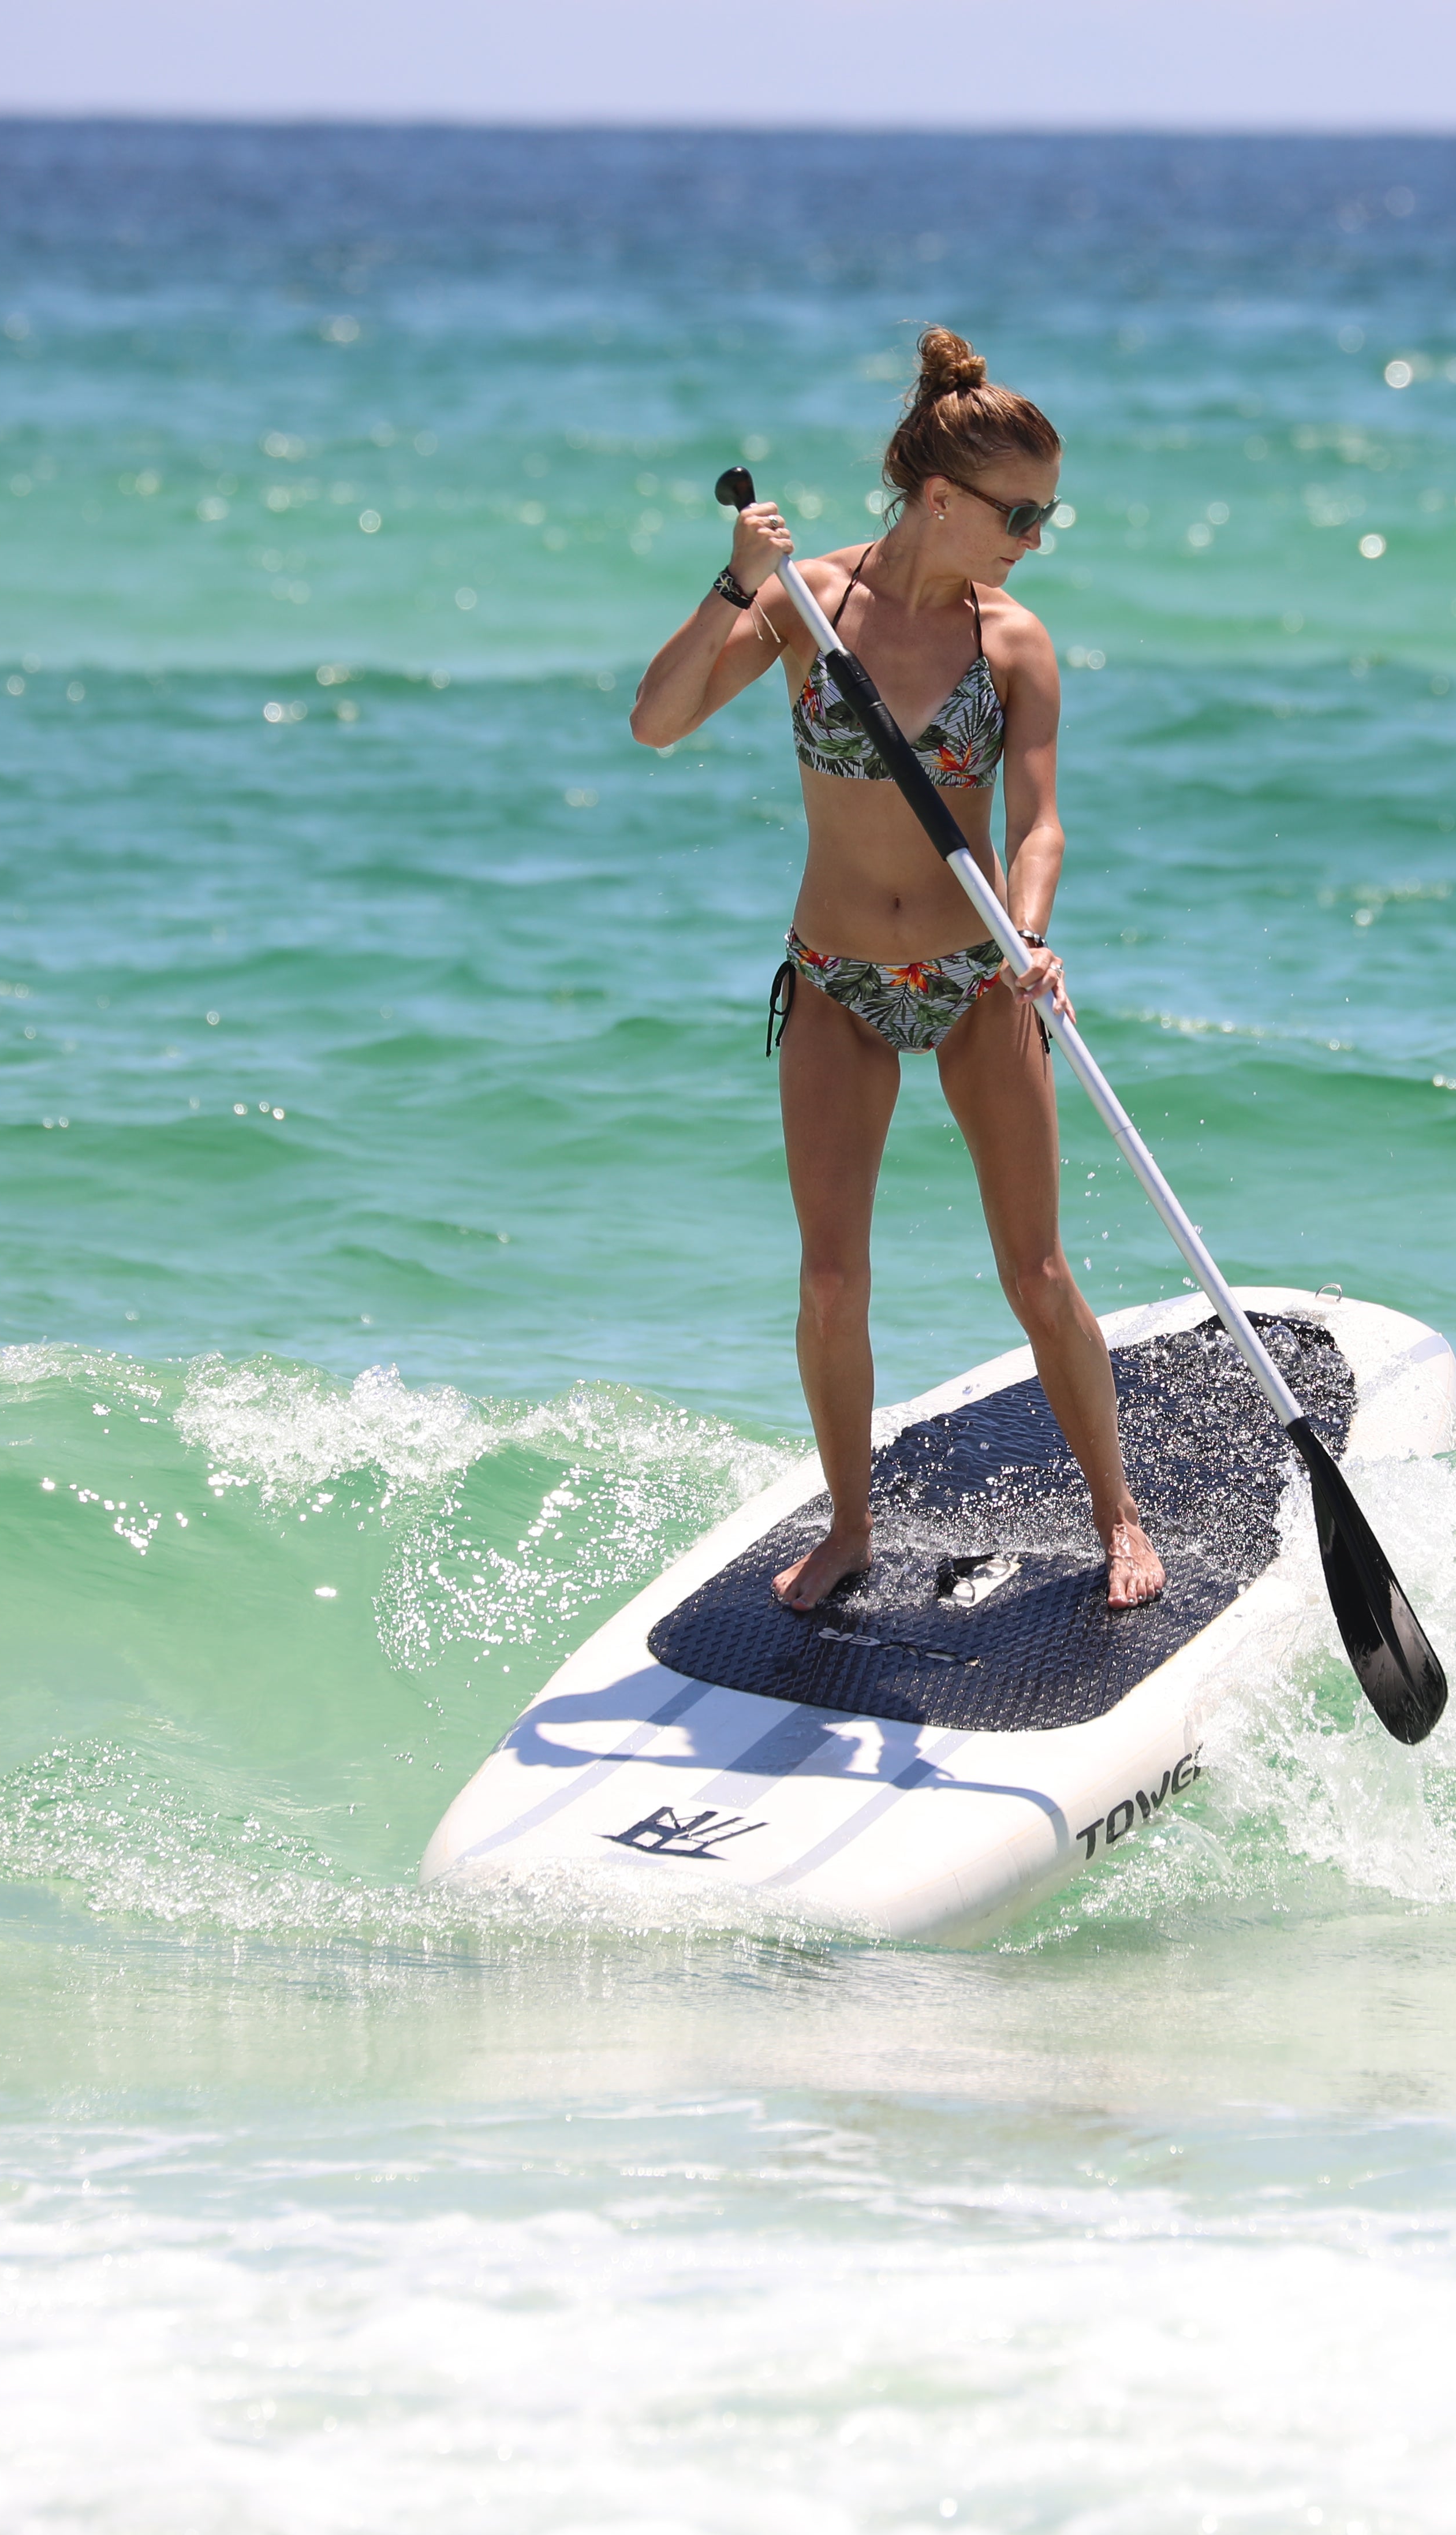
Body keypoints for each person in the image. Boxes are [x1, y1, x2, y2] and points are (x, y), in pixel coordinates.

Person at [629, 327, 1163, 1614]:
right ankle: (850, 1523)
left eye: (1049, 509)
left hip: (979, 979)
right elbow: (656, 722)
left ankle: (1120, 1514)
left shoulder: (1016, 642)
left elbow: (1038, 822)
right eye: (1021, 511)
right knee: (829, 1275)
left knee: (1036, 1271)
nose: (1037, 533)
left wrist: (1030, 933)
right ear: (942, 498)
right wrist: (731, 582)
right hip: (837, 982)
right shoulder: (805, 605)